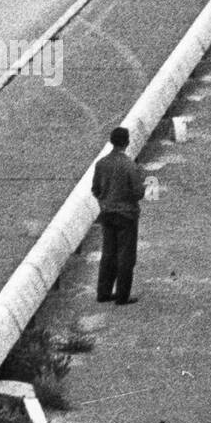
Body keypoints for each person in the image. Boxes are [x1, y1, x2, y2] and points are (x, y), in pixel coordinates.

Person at [92, 126, 145, 305]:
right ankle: (122, 296)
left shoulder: (101, 164)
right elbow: (138, 193)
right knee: (126, 256)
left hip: (107, 214)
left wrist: (106, 201)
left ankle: (104, 292)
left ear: (111, 141)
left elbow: (95, 190)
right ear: (127, 142)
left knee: (108, 254)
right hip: (126, 215)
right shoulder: (130, 166)